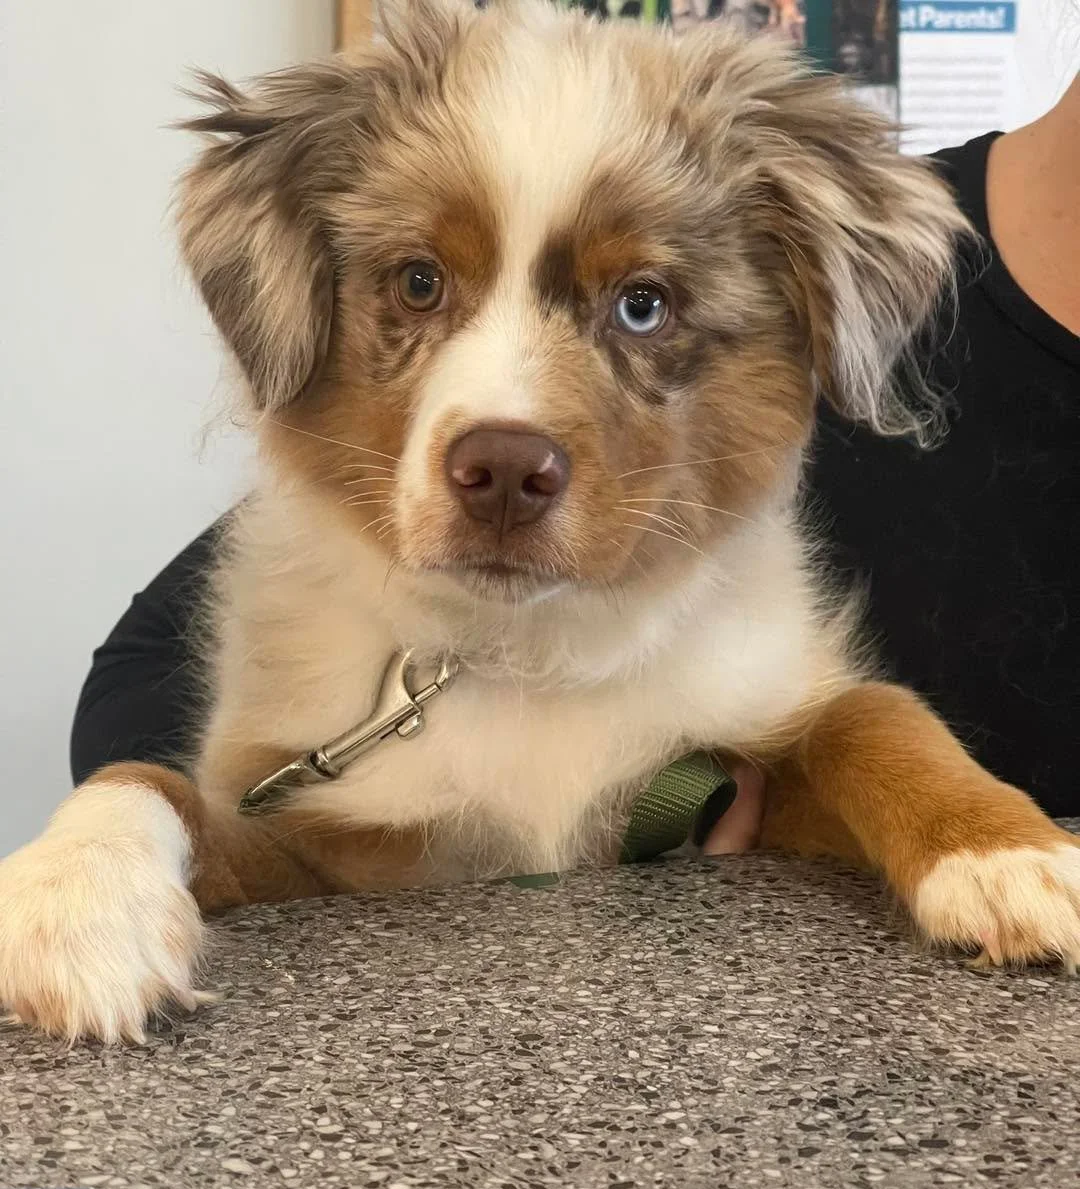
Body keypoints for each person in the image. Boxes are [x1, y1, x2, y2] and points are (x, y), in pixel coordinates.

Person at [70, 79, 1080, 824]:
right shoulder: (325, 584)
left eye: (642, 304)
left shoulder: (809, 268)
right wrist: (137, 832)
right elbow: (139, 679)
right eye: (421, 287)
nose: (511, 429)